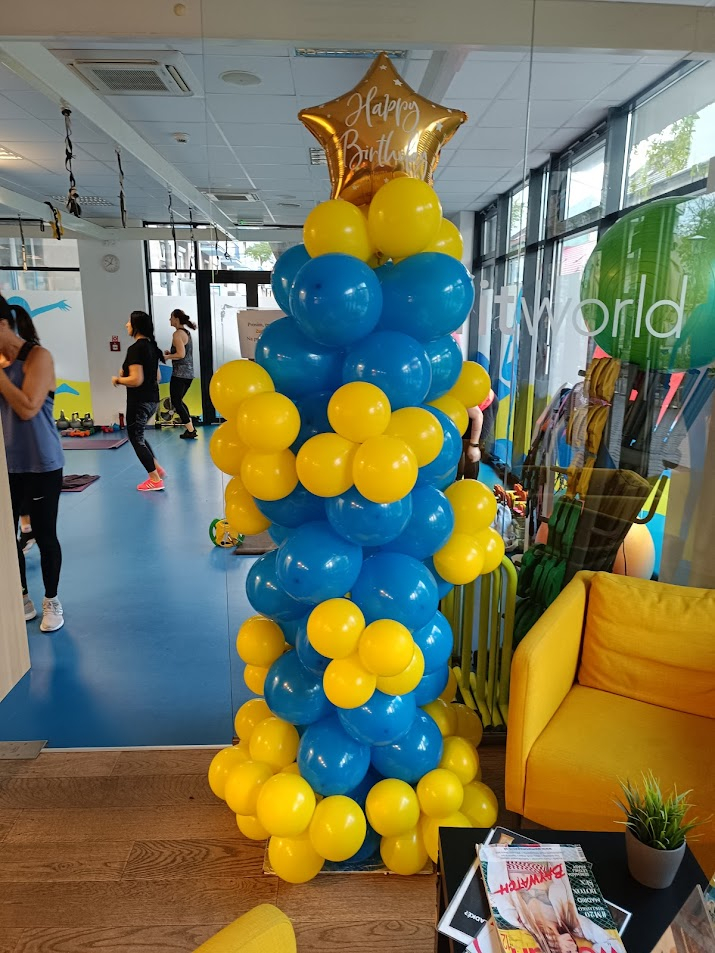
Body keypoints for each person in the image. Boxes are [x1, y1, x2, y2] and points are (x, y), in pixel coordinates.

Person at [0, 295, 65, 632]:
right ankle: (22, 594)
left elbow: (27, 408)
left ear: (2, 324)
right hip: (6, 467)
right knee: (7, 537)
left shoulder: (38, 357)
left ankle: (51, 600)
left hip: (42, 463)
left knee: (43, 534)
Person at [112, 310, 166, 492]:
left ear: (136, 326)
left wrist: (118, 379)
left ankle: (155, 479)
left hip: (139, 401)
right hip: (153, 400)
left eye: (129, 322)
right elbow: (157, 377)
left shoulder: (135, 349)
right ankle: (157, 468)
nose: (126, 325)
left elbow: (136, 380)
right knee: (139, 436)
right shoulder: (152, 348)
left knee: (136, 438)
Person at [163, 309, 197, 439]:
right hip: (188, 374)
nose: (169, 320)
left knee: (176, 402)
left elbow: (181, 354)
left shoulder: (177, 334)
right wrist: (171, 354)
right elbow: (182, 353)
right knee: (178, 401)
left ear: (176, 319)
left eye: (171, 317)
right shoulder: (186, 333)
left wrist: (167, 357)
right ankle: (190, 428)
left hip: (180, 374)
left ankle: (191, 430)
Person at [458, 403, 483, 480]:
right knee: (458, 452)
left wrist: (474, 445)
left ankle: (470, 482)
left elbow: (478, 415)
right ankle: (458, 479)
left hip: (478, 416)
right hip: (463, 415)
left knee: (471, 455)